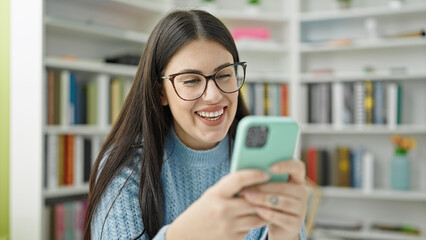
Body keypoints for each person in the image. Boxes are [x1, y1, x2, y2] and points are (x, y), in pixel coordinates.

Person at [84, 9, 308, 240]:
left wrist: (287, 236)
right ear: (160, 92)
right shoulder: (126, 168)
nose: (213, 96)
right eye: (191, 80)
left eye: (223, 75)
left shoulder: (263, 162)